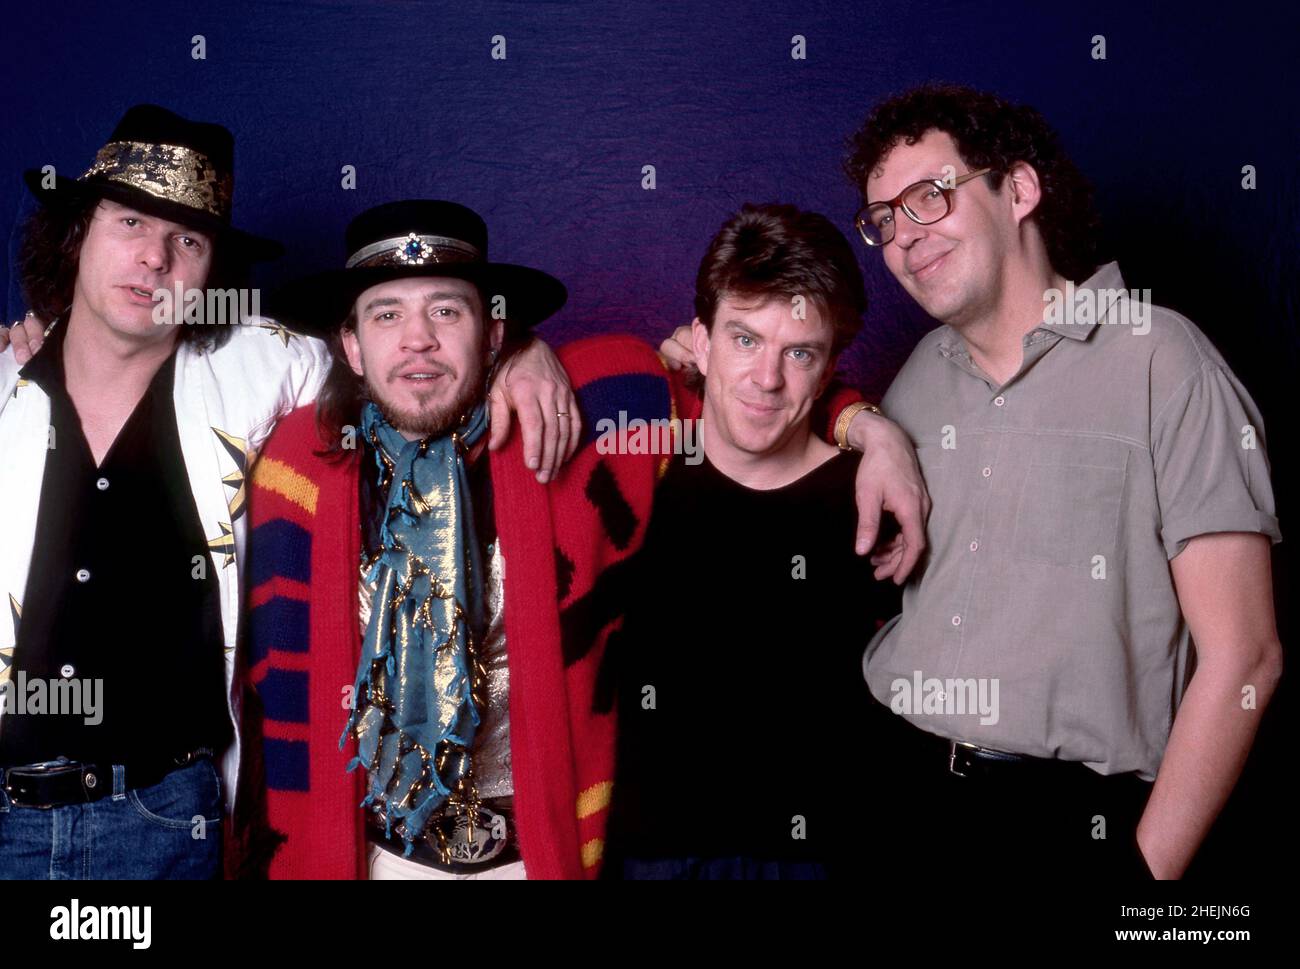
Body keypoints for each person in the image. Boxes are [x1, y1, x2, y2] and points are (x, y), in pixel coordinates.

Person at [241, 199, 925, 879]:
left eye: (447, 311)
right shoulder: (298, 466)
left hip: (533, 852)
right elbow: (276, 702)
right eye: (387, 314)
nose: (417, 338)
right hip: (372, 854)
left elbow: (754, 405)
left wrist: (870, 427)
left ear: (493, 333)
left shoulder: (592, 418)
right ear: (353, 345)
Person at [0, 108, 578, 880]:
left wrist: (524, 353)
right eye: (130, 220)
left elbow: (407, 361)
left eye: (189, 240)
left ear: (212, 273)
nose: (154, 259)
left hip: (166, 814)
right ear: (77, 233)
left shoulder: (267, 365)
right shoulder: (5, 388)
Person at [841, 83, 1280, 879]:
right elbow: (765, 415)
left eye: (928, 198)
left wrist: (1144, 879)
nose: (903, 237)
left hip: (1067, 826)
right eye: (883, 221)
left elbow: (1245, 658)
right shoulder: (911, 383)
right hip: (895, 792)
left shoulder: (1162, 360)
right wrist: (861, 423)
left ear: (1019, 189)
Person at [604, 203, 902, 879]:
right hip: (649, 856)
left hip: (823, 859)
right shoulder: (632, 470)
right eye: (744, 339)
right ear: (699, 340)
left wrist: (875, 431)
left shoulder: (872, 497)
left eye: (799, 352)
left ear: (828, 369)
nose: (767, 379)